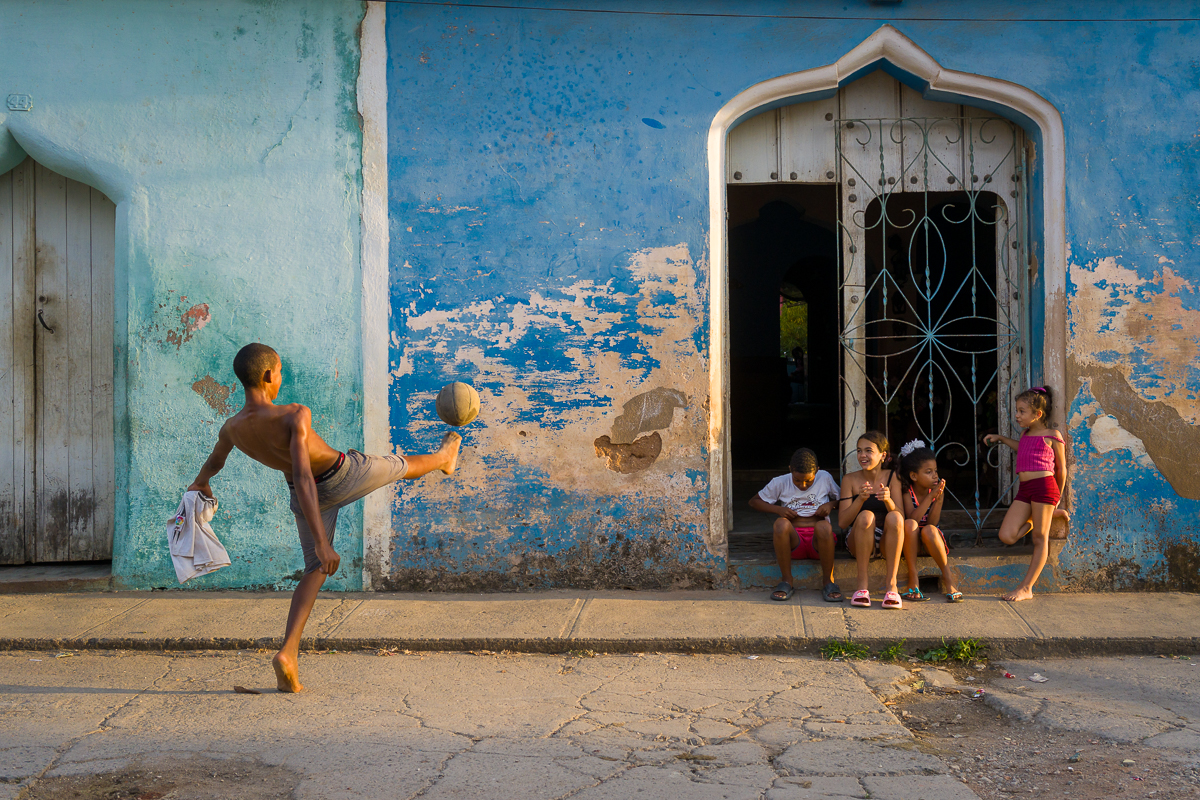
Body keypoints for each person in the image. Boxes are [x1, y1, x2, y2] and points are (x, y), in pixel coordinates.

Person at [188, 343, 462, 692]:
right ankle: (444, 457)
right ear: (269, 375)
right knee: (398, 466)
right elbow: (305, 475)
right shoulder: (293, 414)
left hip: (303, 498)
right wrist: (322, 542)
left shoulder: (232, 427)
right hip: (341, 474)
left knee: (313, 570)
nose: (280, 379)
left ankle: (288, 653)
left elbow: (216, 461)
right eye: (280, 373)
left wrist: (201, 482)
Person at [984, 386, 1066, 602]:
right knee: (1007, 535)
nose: (1017, 415)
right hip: (1025, 490)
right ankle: (1045, 518)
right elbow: (1021, 448)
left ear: (1037, 414)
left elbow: (1061, 470)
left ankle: (1027, 588)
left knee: (1040, 538)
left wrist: (1057, 498)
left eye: (1021, 411)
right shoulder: (1026, 434)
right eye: (1017, 410)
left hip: (1045, 488)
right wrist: (1001, 438)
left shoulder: (1052, 435)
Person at [749, 448, 841, 603]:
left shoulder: (825, 478)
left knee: (823, 526)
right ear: (790, 470)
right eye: (797, 480)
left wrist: (831, 504)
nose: (803, 485)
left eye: (809, 481)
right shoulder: (780, 481)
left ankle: (828, 581)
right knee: (780, 525)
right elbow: (754, 501)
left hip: (819, 543)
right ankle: (786, 581)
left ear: (817, 471)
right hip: (793, 542)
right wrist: (778, 509)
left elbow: (844, 499)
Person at [838, 431, 905, 609]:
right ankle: (862, 587)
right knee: (866, 515)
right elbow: (842, 523)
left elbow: (901, 519)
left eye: (868, 451)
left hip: (885, 542)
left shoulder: (893, 477)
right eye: (859, 451)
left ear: (883, 455)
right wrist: (860, 499)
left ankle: (892, 587)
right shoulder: (850, 479)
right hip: (858, 540)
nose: (862, 456)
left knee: (895, 516)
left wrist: (888, 500)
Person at [893, 440, 962, 603]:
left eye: (936, 471)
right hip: (911, 544)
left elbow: (933, 522)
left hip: (930, 541)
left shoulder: (937, 490)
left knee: (929, 529)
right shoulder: (906, 492)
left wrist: (937, 500)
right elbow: (913, 518)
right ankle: (913, 578)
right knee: (910, 524)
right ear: (913, 476)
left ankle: (948, 580)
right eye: (929, 472)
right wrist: (930, 497)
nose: (935, 476)